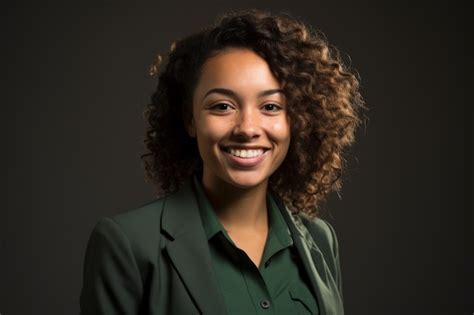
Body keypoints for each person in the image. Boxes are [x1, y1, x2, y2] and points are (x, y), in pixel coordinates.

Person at [80, 8, 364, 315]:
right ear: (190, 119)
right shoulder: (127, 245)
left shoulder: (320, 240)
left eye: (270, 106)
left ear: (298, 119)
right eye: (223, 106)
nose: (248, 129)